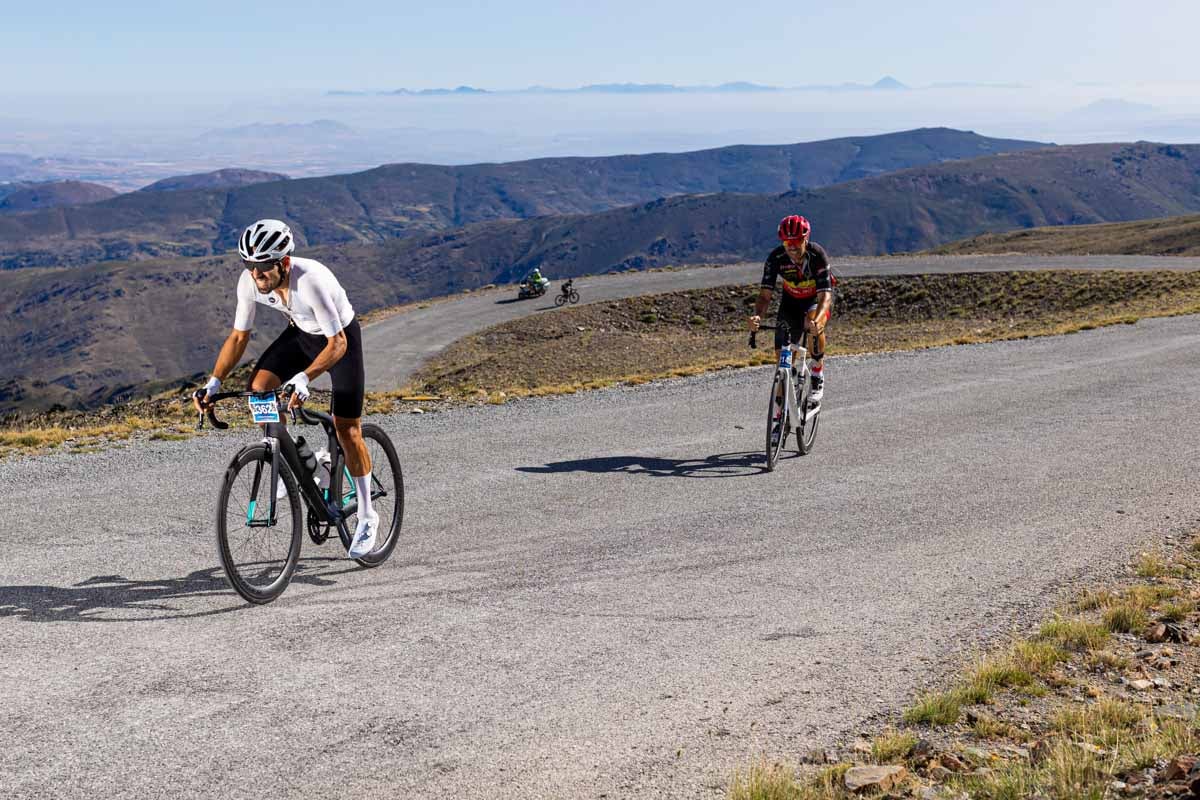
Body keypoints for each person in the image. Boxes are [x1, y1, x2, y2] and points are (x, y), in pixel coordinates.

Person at [193, 219, 379, 559]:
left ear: (285, 263)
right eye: (249, 266)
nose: (256, 275)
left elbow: (336, 343)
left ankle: (367, 515)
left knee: (346, 428)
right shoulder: (250, 283)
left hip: (339, 339)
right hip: (301, 335)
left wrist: (305, 377)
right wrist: (214, 382)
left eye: (263, 267)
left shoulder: (311, 282)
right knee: (260, 389)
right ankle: (298, 460)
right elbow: (238, 337)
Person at [748, 214, 834, 404]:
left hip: (815, 301)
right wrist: (757, 317)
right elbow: (764, 296)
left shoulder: (817, 255)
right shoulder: (776, 258)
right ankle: (780, 416)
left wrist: (818, 321)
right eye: (788, 242)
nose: (792, 247)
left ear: (806, 238)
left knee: (811, 323)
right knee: (783, 362)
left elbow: (825, 297)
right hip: (791, 302)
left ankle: (817, 372)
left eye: (797, 241)